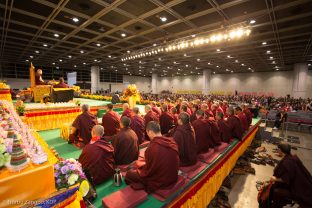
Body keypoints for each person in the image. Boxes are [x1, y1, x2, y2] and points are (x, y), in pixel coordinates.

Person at [125, 121, 179, 193]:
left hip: (161, 180)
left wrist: (140, 170)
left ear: (150, 132)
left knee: (129, 174)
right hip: (173, 176)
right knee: (135, 164)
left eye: (147, 133)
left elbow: (148, 171)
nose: (147, 134)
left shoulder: (152, 147)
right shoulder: (172, 141)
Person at [270, 143, 312, 208]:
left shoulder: (286, 163)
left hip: (298, 191)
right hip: (306, 186)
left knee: (276, 191)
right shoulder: (293, 158)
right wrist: (282, 156)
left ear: (281, 150)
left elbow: (285, 179)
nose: (277, 150)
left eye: (278, 149)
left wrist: (274, 179)